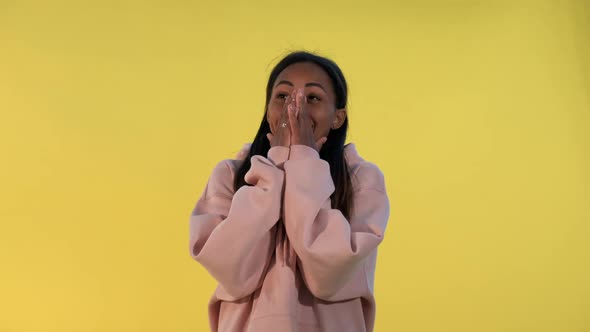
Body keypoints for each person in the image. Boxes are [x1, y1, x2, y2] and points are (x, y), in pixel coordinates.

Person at [188, 51, 390, 332]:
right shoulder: (229, 175)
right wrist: (275, 164)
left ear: (337, 117)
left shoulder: (362, 180)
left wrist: (304, 160)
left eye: (313, 98)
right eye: (282, 96)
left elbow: (328, 277)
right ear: (267, 110)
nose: (295, 108)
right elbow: (234, 273)